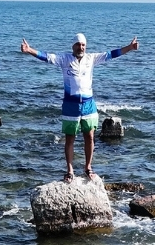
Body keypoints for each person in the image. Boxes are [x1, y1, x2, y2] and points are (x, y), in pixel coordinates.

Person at [20, 33, 139, 180]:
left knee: (89, 137)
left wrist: (130, 48)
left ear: (85, 46)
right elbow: (46, 57)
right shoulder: (65, 59)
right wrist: (30, 50)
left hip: (89, 104)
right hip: (71, 105)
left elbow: (112, 54)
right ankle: (70, 170)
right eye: (78, 44)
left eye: (83, 45)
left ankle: (88, 168)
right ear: (73, 46)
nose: (80, 47)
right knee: (70, 138)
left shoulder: (91, 58)